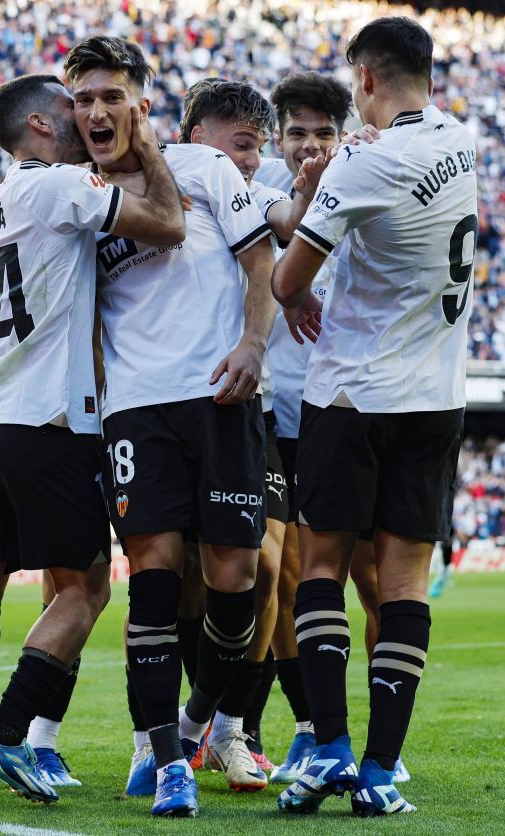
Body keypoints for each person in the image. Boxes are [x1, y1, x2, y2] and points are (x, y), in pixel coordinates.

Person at [0, 72, 185, 812]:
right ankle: (10, 729)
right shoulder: (56, 189)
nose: (85, 115)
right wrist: (145, 141)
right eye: (70, 106)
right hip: (44, 420)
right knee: (86, 586)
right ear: (39, 128)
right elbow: (167, 223)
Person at [65, 36, 276, 818]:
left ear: (142, 103)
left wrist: (254, 342)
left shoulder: (206, 168)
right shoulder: (79, 197)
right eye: (83, 98)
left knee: (235, 580)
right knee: (151, 581)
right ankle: (166, 757)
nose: (96, 110)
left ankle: (196, 724)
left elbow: (261, 264)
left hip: (220, 394)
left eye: (110, 95)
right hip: (136, 408)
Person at [272, 17, 475, 816]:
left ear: (362, 77)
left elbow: (290, 284)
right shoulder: (464, 140)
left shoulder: (361, 165)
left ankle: (327, 750)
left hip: (353, 392)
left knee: (321, 569)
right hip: (436, 397)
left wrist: (328, 179)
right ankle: (383, 773)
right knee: (403, 584)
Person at [253, 70, 418, 786]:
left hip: (354, 404)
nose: (311, 146)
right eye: (297, 134)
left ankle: (384, 736)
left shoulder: (369, 169)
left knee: (374, 580)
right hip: (275, 411)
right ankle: (310, 728)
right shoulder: (258, 183)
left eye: (325, 132)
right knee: (279, 580)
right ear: (276, 139)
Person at [177, 77, 328, 785]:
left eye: (315, 132)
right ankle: (165, 737)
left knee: (269, 570)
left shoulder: (262, 178)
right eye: (285, 133)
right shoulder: (177, 176)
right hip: (166, 402)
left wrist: (291, 283)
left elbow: (289, 222)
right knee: (174, 579)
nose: (287, 148)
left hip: (254, 403)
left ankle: (231, 728)